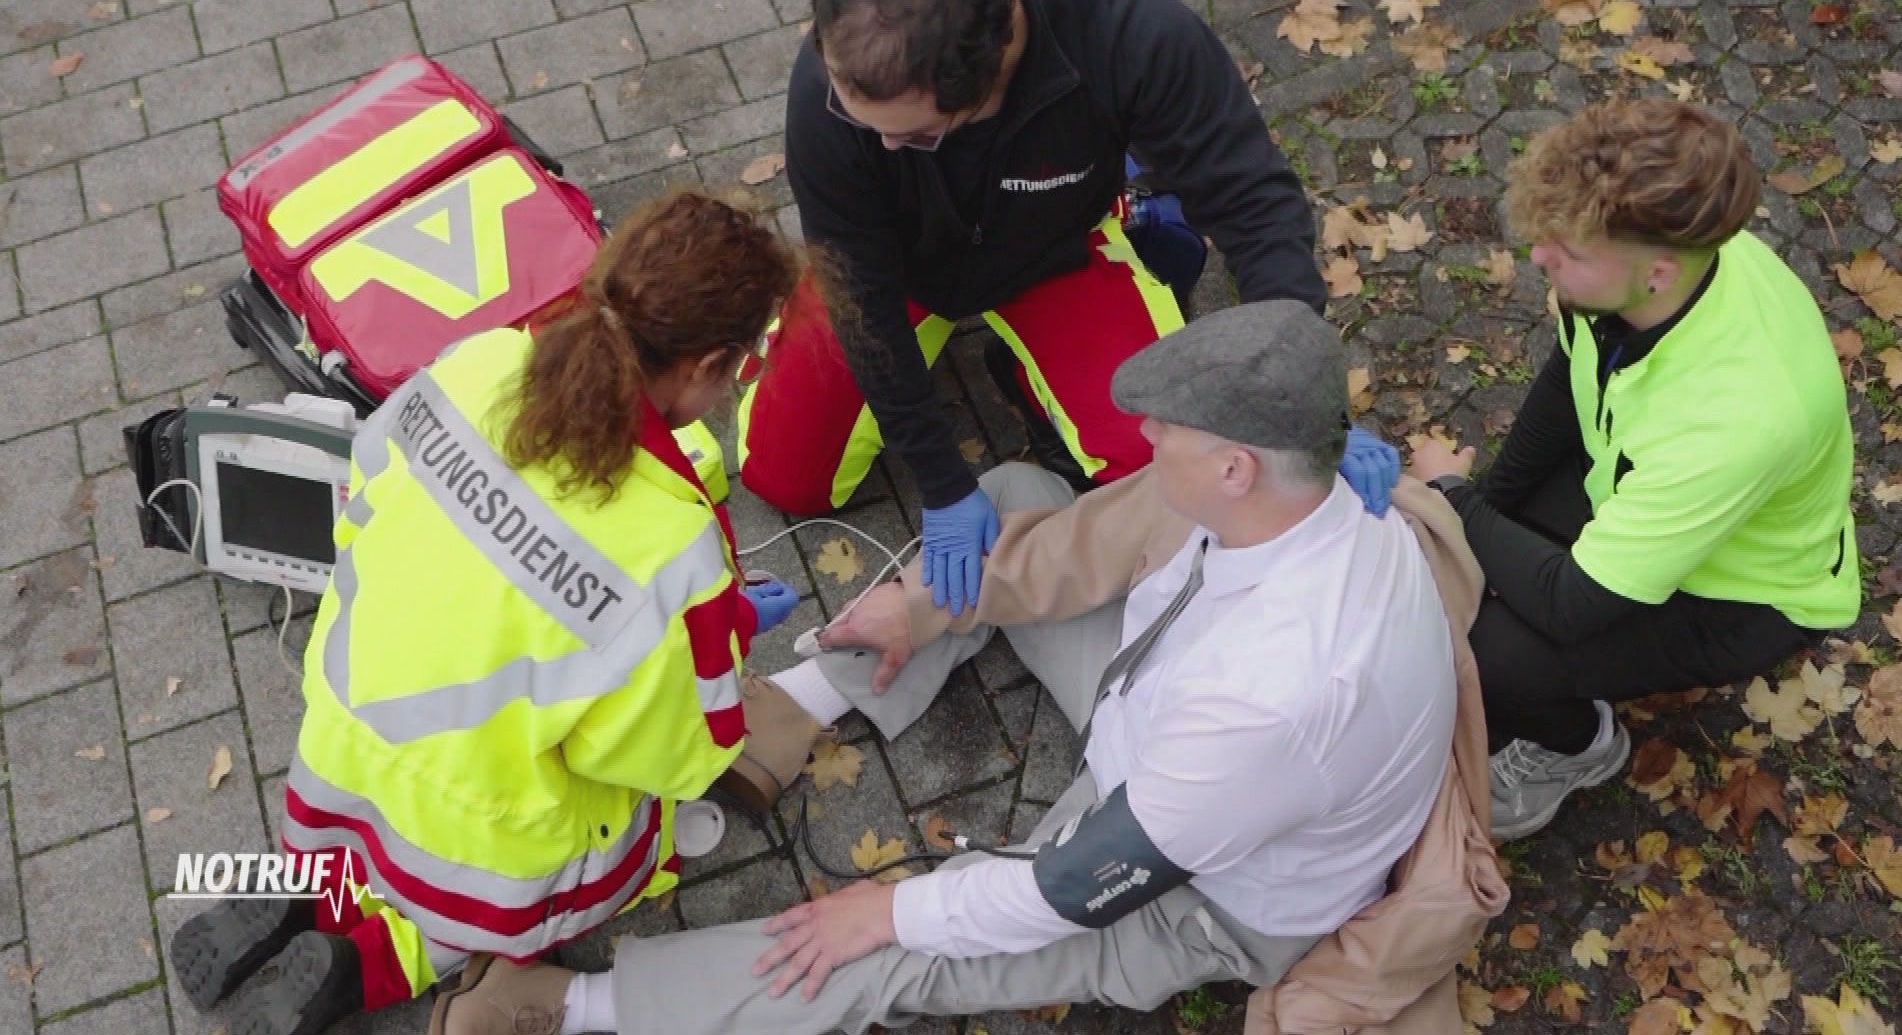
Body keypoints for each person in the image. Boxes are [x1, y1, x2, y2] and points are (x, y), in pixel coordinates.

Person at [424, 299, 1458, 1035]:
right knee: (1014, 499)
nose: (1140, 438)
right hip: (1157, 717)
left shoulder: (1273, 705)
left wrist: (884, 907)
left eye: (1166, 433)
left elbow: (1070, 888)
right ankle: (800, 708)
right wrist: (917, 609)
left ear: (1235, 467)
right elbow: (1086, 542)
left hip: (1200, 890)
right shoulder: (1313, 499)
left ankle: (573, 1009)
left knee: (885, 948)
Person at [167, 192, 826, 1035]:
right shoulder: (675, 554)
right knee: (625, 841)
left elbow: (363, 501)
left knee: (392, 814)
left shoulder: (478, 364)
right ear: (706, 367)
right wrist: (719, 645)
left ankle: (311, 891)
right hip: (470, 841)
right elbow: (667, 757)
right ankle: (370, 963)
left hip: (340, 745)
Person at [734, 0, 1402, 616]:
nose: (881, 148)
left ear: (992, 74)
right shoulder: (837, 83)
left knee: (1191, 477)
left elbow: (1256, 206)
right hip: (893, 268)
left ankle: (1044, 353)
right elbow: (863, 301)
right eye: (868, 127)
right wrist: (940, 482)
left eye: (910, 136)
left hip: (1054, 249)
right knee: (784, 475)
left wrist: (1309, 414)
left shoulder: (1126, 27)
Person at [1406, 98, 1861, 841]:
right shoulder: (1657, 264)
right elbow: (1568, 373)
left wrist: (1455, 499)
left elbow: (1569, 604)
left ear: (1653, 274)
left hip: (1742, 592)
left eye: (1568, 252)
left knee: (1486, 651)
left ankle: (1580, 748)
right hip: (1638, 481)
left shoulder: (1739, 417)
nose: (1540, 260)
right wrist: (1493, 500)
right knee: (1475, 556)